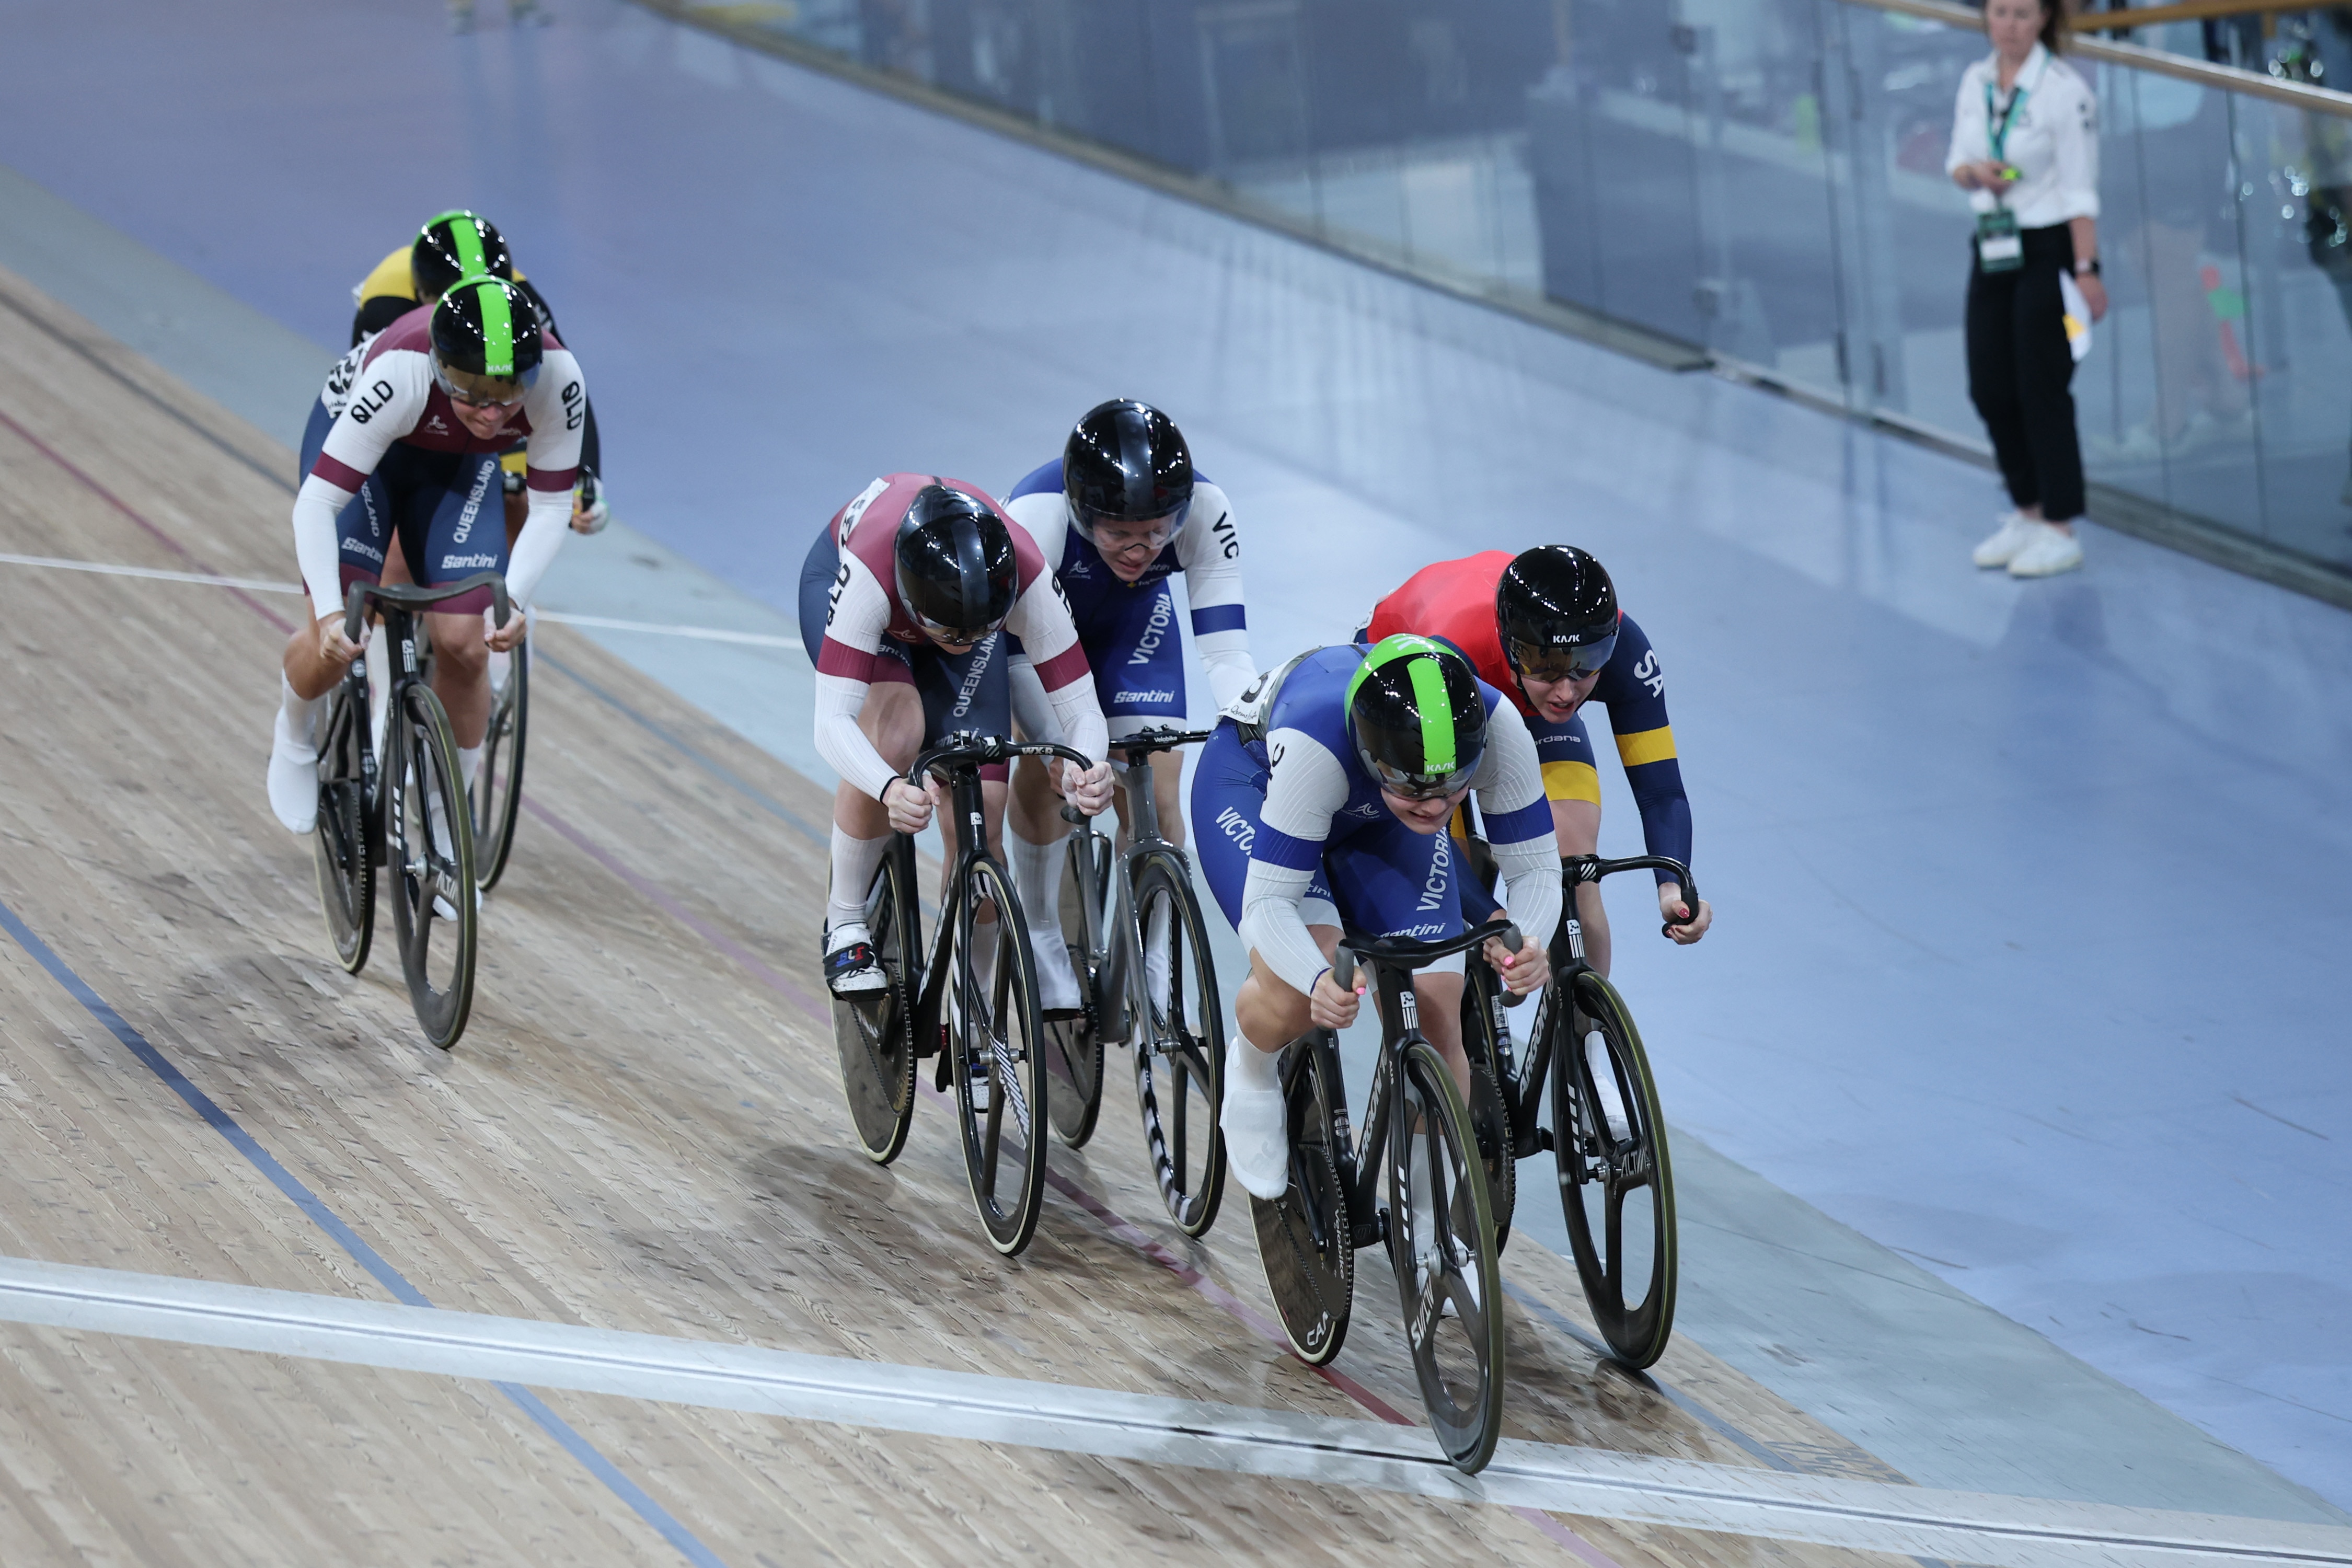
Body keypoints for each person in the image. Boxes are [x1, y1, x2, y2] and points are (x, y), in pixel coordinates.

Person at [1193, 635, 1559, 1204]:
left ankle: (1429, 1226)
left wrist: (1529, 940)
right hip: (1254, 786)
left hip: (1377, 818)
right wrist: (1316, 979)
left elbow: (1536, 869)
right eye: (1416, 788)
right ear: (1371, 757)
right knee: (1298, 992)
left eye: (1453, 787)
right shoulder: (1317, 743)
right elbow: (1268, 905)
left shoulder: (1497, 726)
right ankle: (1252, 1067)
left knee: (1438, 1016)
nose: (1435, 806)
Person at [266, 277, 588, 836]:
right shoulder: (402, 372)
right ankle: (294, 733)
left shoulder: (559, 379)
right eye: (472, 391)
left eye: (509, 390)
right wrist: (328, 613)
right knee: (341, 634)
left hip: (458, 466)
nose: (492, 413)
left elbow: (552, 506)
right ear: (441, 367)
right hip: (374, 453)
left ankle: (444, 811)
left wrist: (512, 600)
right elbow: (317, 503)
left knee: (468, 645)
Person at [799, 475, 1116, 996]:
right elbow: (831, 723)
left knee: (984, 820)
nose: (963, 643)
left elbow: (1083, 711)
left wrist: (1087, 765)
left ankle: (975, 1004)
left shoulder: (1027, 576)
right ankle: (847, 919)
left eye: (978, 632)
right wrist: (889, 788)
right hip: (861, 596)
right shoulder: (868, 577)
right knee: (898, 733)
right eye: (952, 634)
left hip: (953, 608)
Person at [998, 399, 1255, 1008]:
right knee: (1048, 771)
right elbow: (1011, 657)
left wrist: (1251, 722)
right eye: (1118, 534)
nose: (1140, 550)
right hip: (1036, 640)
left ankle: (1154, 954)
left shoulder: (1207, 508)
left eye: (1157, 532)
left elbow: (1226, 652)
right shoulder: (1033, 518)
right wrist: (1057, 753)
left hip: (1134, 629)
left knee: (1158, 801)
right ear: (1082, 512)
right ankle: (1040, 931)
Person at [1364, 546, 1711, 979]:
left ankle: (1583, 1022)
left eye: (1586, 667)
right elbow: (1421, 823)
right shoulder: (1452, 655)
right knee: (1437, 870)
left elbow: (1661, 792)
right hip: (1431, 683)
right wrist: (1493, 921)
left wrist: (1672, 887)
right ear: (1512, 649)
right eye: (1545, 666)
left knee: (1575, 863)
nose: (1566, 692)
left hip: (1519, 694)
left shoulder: (1625, 651)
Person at [1949, 0, 2108, 579]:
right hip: (1995, 243)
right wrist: (1976, 174)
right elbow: (1957, 161)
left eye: (2021, 14)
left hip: (2048, 248)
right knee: (1989, 385)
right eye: (2000, 12)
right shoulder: (1976, 80)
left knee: (2041, 386)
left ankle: (2060, 525)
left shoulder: (2065, 92)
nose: (2009, 26)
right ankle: (2026, 508)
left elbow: (2081, 190)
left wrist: (2086, 268)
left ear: (2044, 19)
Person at [351, 211, 606, 539]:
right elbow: (373, 416)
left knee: (517, 500)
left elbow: (565, 385)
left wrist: (586, 480)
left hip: (489, 389)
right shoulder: (385, 307)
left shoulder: (520, 302)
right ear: (424, 296)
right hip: (421, 389)